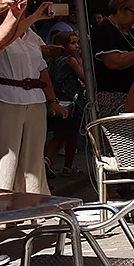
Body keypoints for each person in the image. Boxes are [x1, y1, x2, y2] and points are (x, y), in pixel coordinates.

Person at [0, 0, 64, 194]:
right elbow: (1, 40)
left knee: (33, 159)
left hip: (33, 97)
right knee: (5, 157)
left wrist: (52, 100)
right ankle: (1, 208)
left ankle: (34, 205)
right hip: (2, 94)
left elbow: (41, 67)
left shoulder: (30, 34)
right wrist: (29, 17)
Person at [91, 0, 134, 121]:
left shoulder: (130, 32)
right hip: (113, 96)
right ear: (121, 9)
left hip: (132, 94)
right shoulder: (105, 31)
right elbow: (114, 62)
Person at [45, 26, 87, 175]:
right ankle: (63, 165)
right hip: (70, 102)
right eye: (72, 43)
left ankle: (48, 160)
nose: (76, 46)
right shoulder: (70, 60)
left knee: (60, 134)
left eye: (77, 43)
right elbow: (84, 77)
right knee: (69, 135)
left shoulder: (52, 60)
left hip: (55, 99)